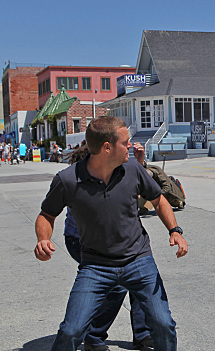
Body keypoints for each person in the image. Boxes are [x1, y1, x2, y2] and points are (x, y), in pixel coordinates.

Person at [34, 116, 188, 351]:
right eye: (125, 142)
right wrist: (43, 238)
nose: (131, 146)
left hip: (138, 260)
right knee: (71, 330)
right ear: (107, 147)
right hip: (95, 266)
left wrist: (174, 230)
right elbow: (46, 215)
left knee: (163, 323)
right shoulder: (67, 180)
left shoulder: (133, 169)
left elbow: (158, 200)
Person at [63, 142, 154, 350]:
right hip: (84, 242)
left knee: (139, 273)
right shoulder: (84, 180)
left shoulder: (104, 172)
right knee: (119, 284)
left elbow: (133, 193)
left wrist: (137, 163)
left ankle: (142, 332)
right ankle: (94, 336)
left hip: (110, 240)